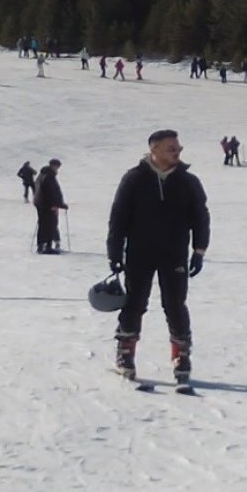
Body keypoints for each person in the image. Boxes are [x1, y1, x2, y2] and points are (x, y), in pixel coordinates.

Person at [107, 129, 211, 384]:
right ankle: (125, 353)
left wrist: (199, 250)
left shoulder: (188, 181)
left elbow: (201, 216)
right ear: (154, 150)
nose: (177, 152)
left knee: (175, 305)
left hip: (174, 254)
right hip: (139, 253)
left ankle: (181, 356)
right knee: (134, 303)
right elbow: (118, 217)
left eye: (178, 148)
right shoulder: (134, 179)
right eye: (171, 149)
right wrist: (114, 251)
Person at [33, 158, 68, 254]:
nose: (57, 169)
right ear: (53, 166)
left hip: (40, 204)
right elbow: (51, 192)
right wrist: (58, 204)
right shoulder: (49, 176)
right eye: (57, 167)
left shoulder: (42, 175)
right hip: (47, 205)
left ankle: (41, 246)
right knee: (49, 225)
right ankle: (47, 247)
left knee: (43, 224)